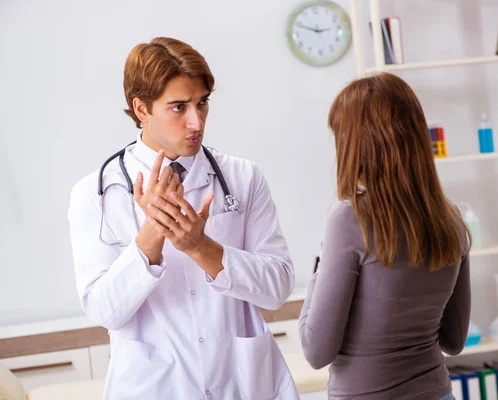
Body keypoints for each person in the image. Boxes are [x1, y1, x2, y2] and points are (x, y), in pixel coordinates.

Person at [68, 37, 299, 400]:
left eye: (202, 103)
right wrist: (153, 232)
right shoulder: (96, 194)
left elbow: (277, 289)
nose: (197, 121)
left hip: (240, 383)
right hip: (154, 387)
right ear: (141, 109)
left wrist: (202, 248)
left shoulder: (242, 177)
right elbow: (105, 310)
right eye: (178, 107)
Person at [298, 72, 471, 400]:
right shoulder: (451, 219)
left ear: (355, 144)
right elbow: (454, 340)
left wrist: (320, 268)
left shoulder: (350, 219)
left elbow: (315, 351)